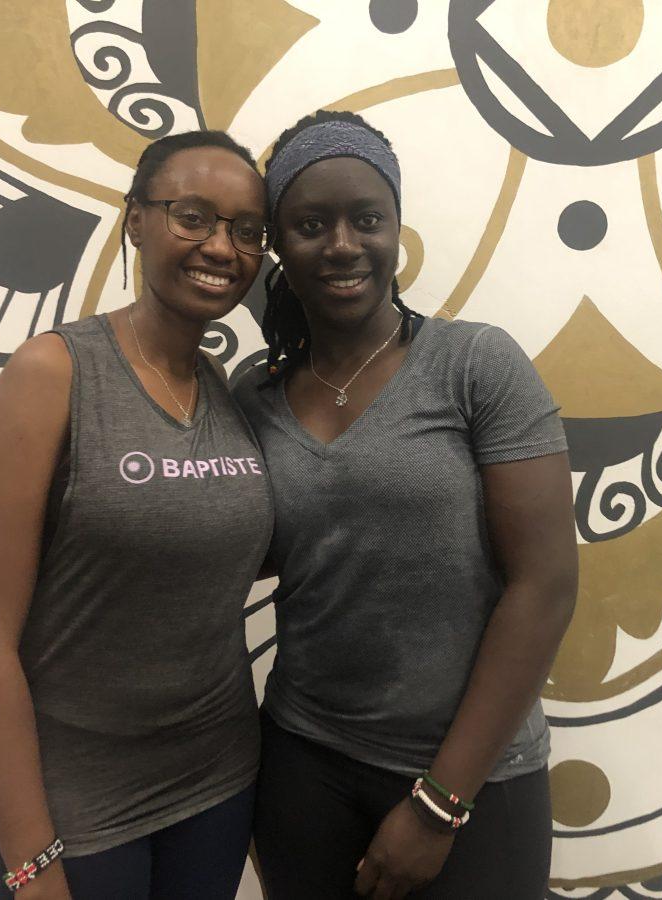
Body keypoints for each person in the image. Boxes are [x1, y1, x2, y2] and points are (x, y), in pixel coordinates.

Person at [232, 110, 579, 900]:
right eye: (311, 224)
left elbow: (546, 586)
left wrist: (437, 805)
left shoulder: (476, 365)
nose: (344, 244)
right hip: (303, 763)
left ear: (396, 228)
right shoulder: (254, 394)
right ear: (278, 244)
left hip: (474, 781)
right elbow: (231, 550)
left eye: (367, 218)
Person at [0, 130, 274, 899]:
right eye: (191, 215)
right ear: (134, 220)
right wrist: (29, 862)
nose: (221, 247)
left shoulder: (224, 390)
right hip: (71, 806)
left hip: (215, 785)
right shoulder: (54, 373)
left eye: (245, 229)